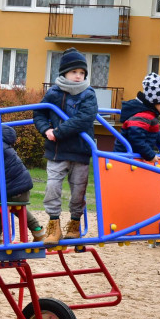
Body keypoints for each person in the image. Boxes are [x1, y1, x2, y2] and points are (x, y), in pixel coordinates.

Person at [32, 48, 99, 246]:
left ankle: (75, 223)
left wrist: (58, 132)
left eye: (82, 73)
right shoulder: (53, 93)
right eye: (74, 72)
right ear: (64, 73)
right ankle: (54, 223)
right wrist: (46, 130)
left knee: (78, 190)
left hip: (79, 150)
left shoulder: (88, 94)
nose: (78, 76)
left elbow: (84, 118)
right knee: (52, 186)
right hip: (57, 151)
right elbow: (39, 114)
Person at [114, 72, 160, 162]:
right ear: (154, 102)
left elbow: (154, 129)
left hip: (135, 157)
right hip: (125, 158)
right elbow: (136, 139)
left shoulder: (149, 114)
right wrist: (150, 155)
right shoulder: (142, 116)